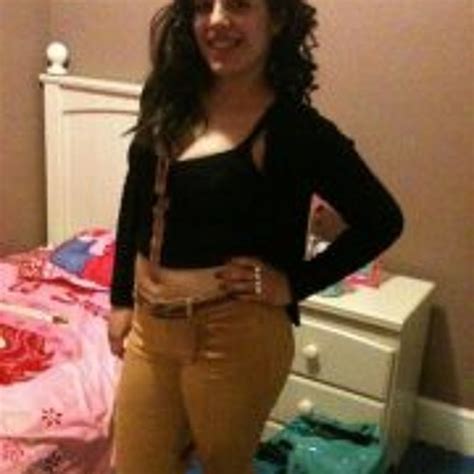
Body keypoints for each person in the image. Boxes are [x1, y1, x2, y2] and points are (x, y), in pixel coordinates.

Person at [107, 0, 404, 472]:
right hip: (151, 326)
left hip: (234, 333)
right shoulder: (166, 97)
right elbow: (135, 197)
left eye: (238, 4)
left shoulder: (293, 129)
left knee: (225, 466)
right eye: (203, 6)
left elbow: (382, 219)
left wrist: (294, 284)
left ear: (278, 19)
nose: (216, 20)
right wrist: (121, 297)